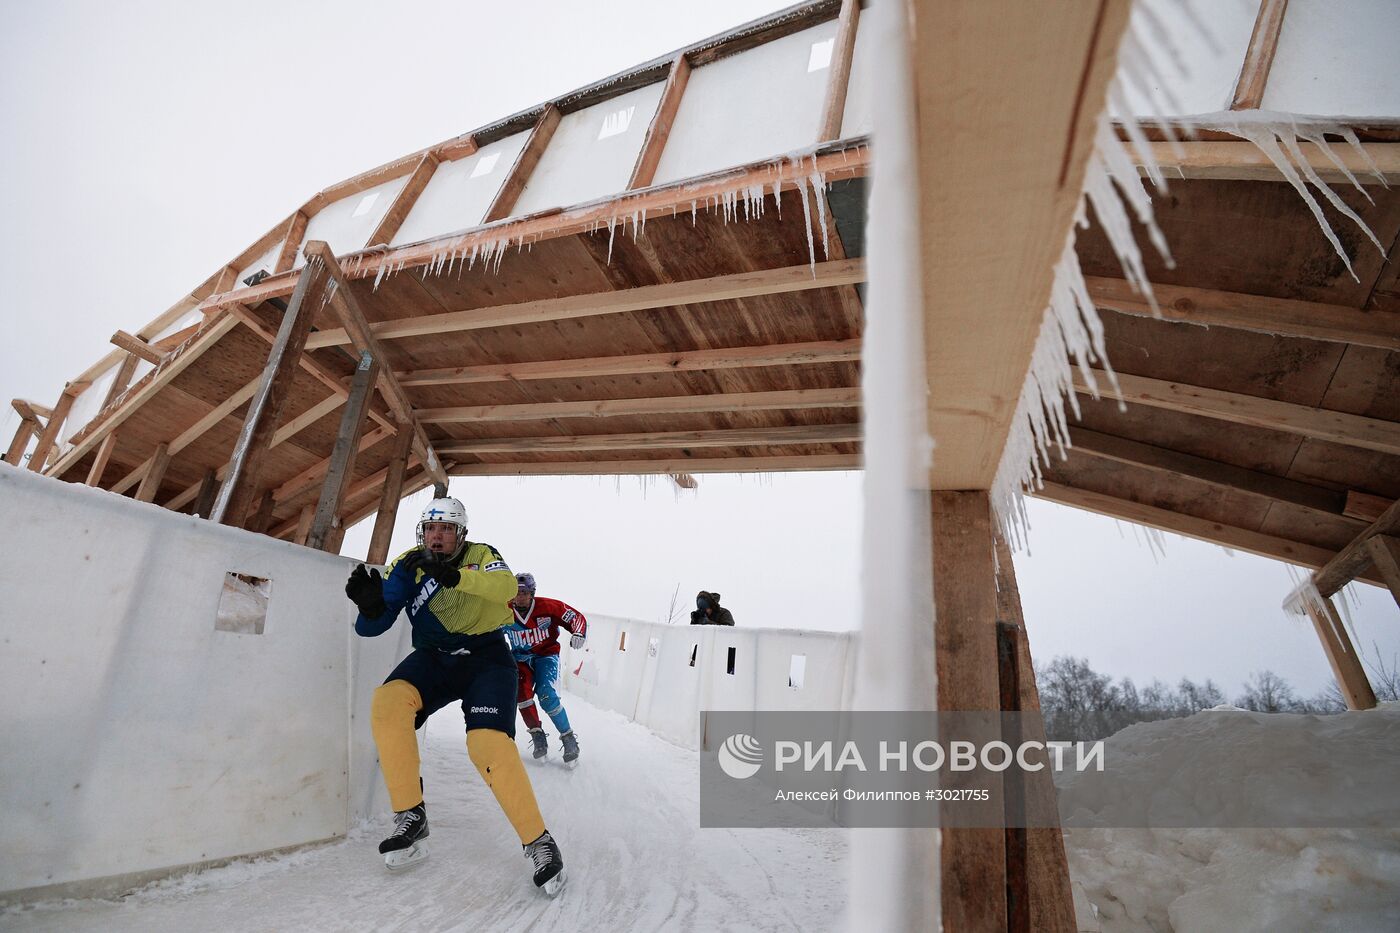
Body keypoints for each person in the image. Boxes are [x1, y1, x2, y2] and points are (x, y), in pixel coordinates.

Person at [344, 496, 565, 895]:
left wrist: (455, 578)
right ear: (422, 532)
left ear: (460, 534)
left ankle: (540, 843)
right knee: (387, 703)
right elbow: (369, 629)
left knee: (487, 744)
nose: (437, 536)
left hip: (487, 658)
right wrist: (370, 607)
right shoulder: (409, 565)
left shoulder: (482, 555)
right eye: (431, 528)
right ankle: (411, 815)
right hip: (434, 658)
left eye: (446, 529)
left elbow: (503, 588)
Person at [505, 572, 587, 763]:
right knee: (522, 694)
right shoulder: (504, 611)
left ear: (532, 593)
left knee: (547, 695)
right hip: (520, 658)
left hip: (546, 655)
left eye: (524, 592)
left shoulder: (548, 607)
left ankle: (568, 737)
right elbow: (485, 627)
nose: (520, 596)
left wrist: (579, 632)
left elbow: (575, 617)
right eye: (516, 592)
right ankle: (537, 735)